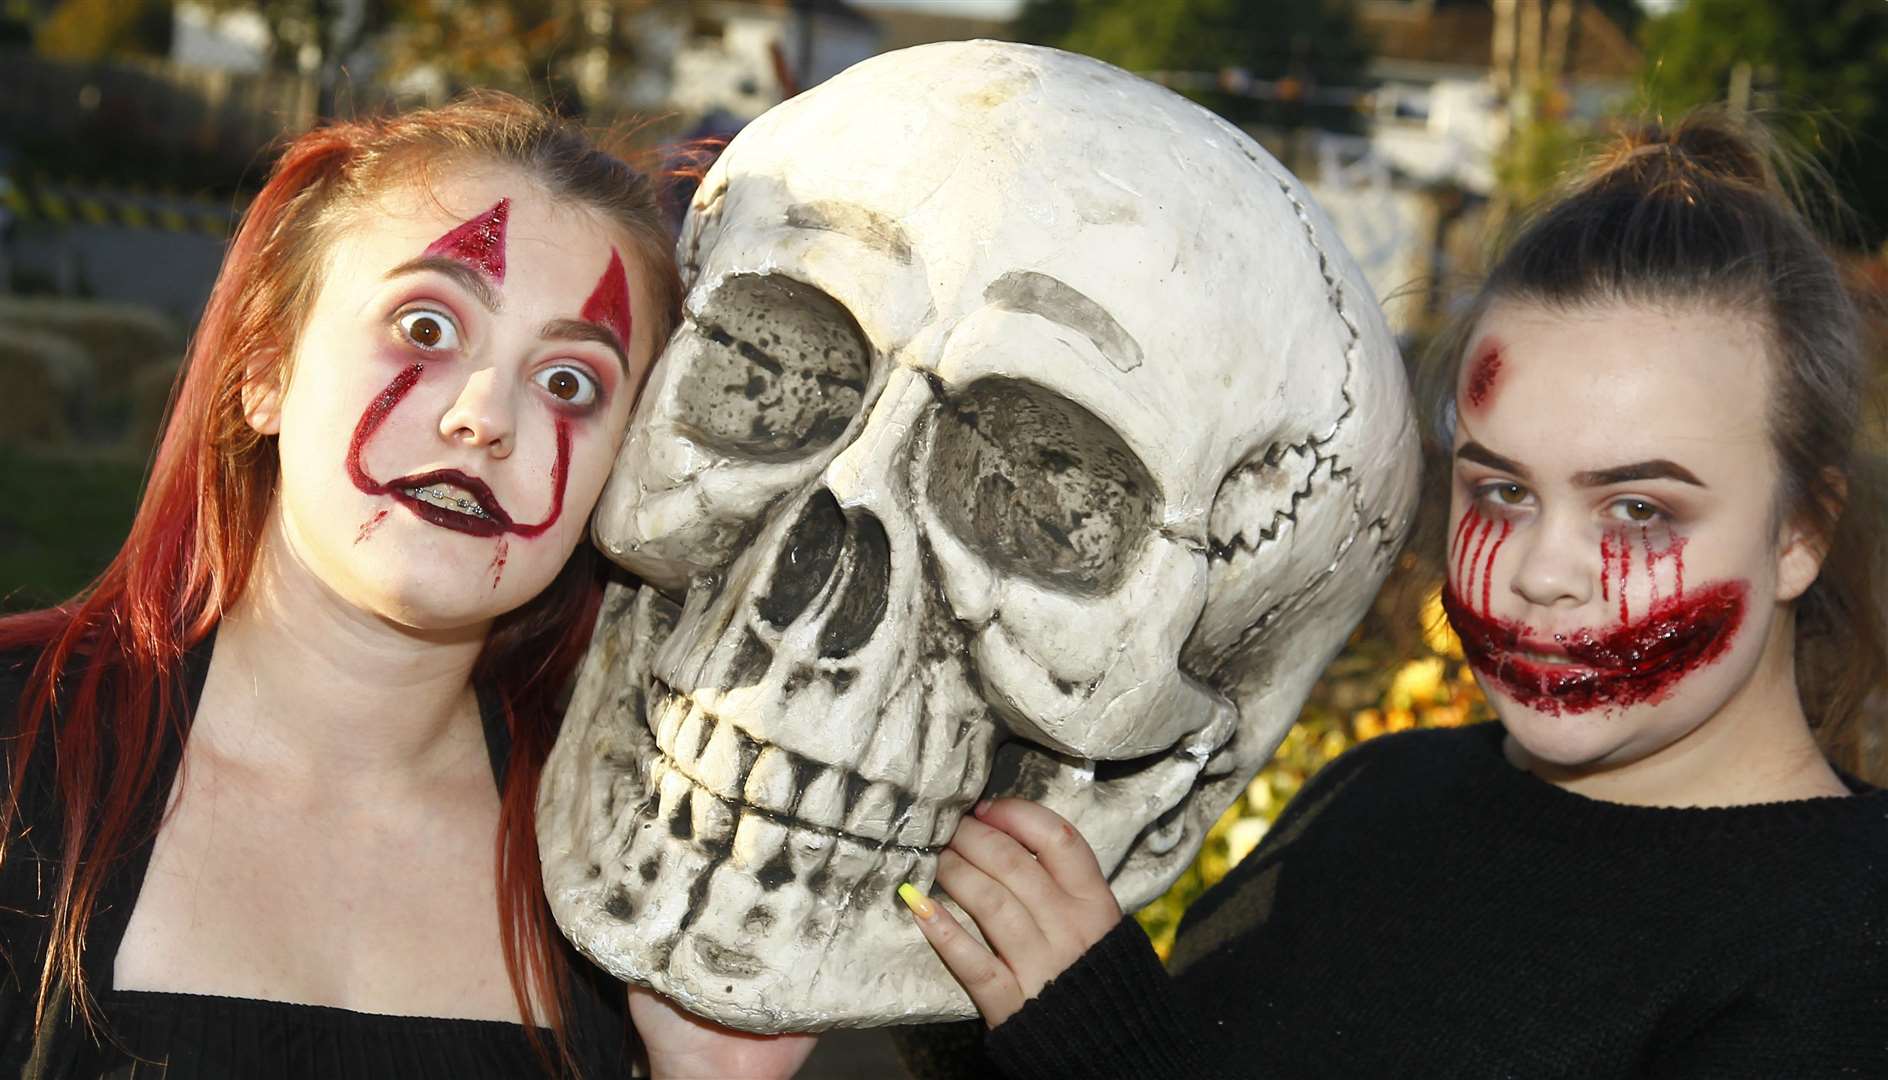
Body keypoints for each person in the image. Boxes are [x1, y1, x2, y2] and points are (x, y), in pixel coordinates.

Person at [897, 111, 1888, 1078]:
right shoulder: (1373, 796)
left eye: (1636, 508)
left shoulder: (1844, 947)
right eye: (1500, 489)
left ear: (1802, 530)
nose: (1540, 571)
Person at [0, 95, 812, 1079]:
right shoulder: (19, 746)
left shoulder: (630, 861)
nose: (485, 416)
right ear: (264, 366)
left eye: (569, 383)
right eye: (426, 325)